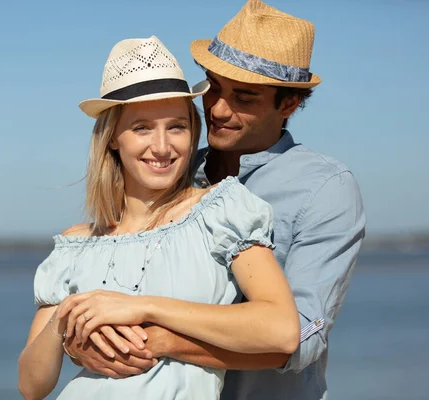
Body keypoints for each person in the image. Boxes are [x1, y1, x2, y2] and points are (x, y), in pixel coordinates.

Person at [64, 1, 367, 399]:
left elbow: (301, 338)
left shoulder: (326, 189)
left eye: (244, 97)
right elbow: (112, 283)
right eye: (213, 88)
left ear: (289, 103)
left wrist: (162, 340)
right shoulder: (171, 169)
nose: (219, 110)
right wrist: (75, 341)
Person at [17, 35, 301, 400]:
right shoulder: (76, 245)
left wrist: (143, 306)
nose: (163, 146)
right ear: (113, 138)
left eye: (177, 126)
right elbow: (31, 386)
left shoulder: (221, 212)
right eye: (142, 128)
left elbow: (282, 330)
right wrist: (65, 320)